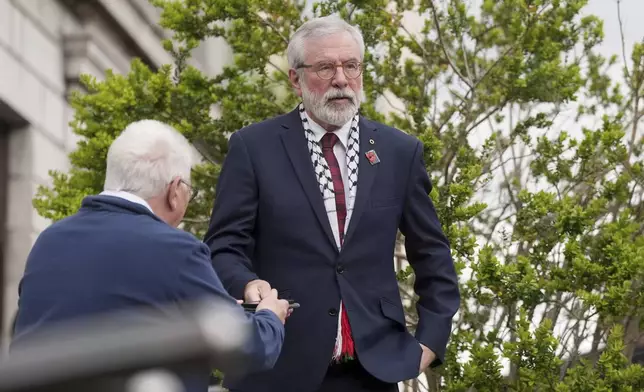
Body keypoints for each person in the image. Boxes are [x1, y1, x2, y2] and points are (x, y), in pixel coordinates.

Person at [204, 15, 460, 392]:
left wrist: (429, 342)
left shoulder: (398, 152)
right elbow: (223, 247)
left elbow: (433, 254)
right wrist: (246, 283)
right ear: (296, 78)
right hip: (277, 366)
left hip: (373, 370)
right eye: (325, 67)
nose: (341, 79)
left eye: (351, 66)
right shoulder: (253, 148)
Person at [11, 120, 290, 392]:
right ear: (175, 191)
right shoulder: (176, 249)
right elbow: (247, 346)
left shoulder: (49, 240)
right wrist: (270, 317)